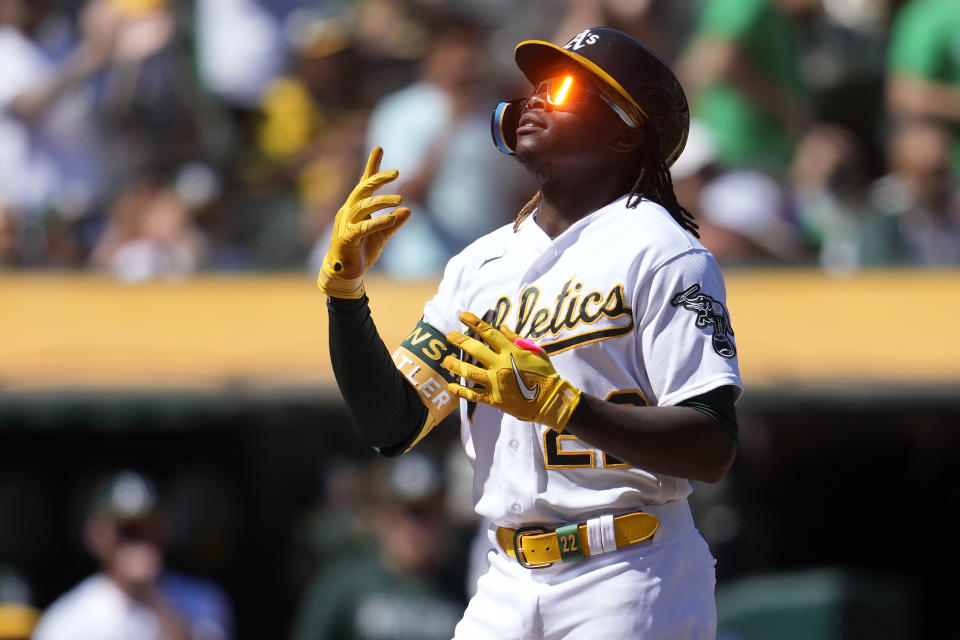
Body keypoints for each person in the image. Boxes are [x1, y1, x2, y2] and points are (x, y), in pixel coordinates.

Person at [317, 26, 741, 638]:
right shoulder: (479, 264)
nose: (538, 98)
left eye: (565, 88)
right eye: (536, 86)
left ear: (626, 130)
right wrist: (345, 298)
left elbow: (712, 443)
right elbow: (394, 423)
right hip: (504, 578)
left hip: (630, 568)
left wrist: (564, 406)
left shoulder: (663, 251)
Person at [31, 470, 233, 640]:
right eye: (128, 531)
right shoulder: (67, 620)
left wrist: (153, 597)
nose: (141, 543)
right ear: (97, 537)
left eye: (150, 529)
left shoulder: (203, 600)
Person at [288, 452, 464, 640]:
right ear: (382, 517)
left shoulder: (467, 587)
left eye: (430, 512)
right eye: (409, 513)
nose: (417, 528)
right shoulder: (343, 585)